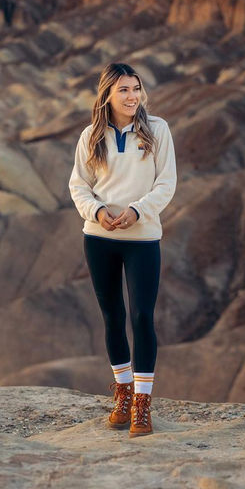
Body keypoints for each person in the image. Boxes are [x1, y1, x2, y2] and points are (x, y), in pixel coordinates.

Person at [68, 62, 177, 437]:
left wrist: (136, 211)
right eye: (124, 90)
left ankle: (143, 406)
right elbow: (78, 185)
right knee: (112, 318)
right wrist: (97, 212)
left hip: (143, 239)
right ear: (108, 96)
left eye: (136, 89)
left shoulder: (157, 130)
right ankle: (123, 395)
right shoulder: (90, 136)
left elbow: (167, 184)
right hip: (98, 239)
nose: (133, 97)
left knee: (142, 318)